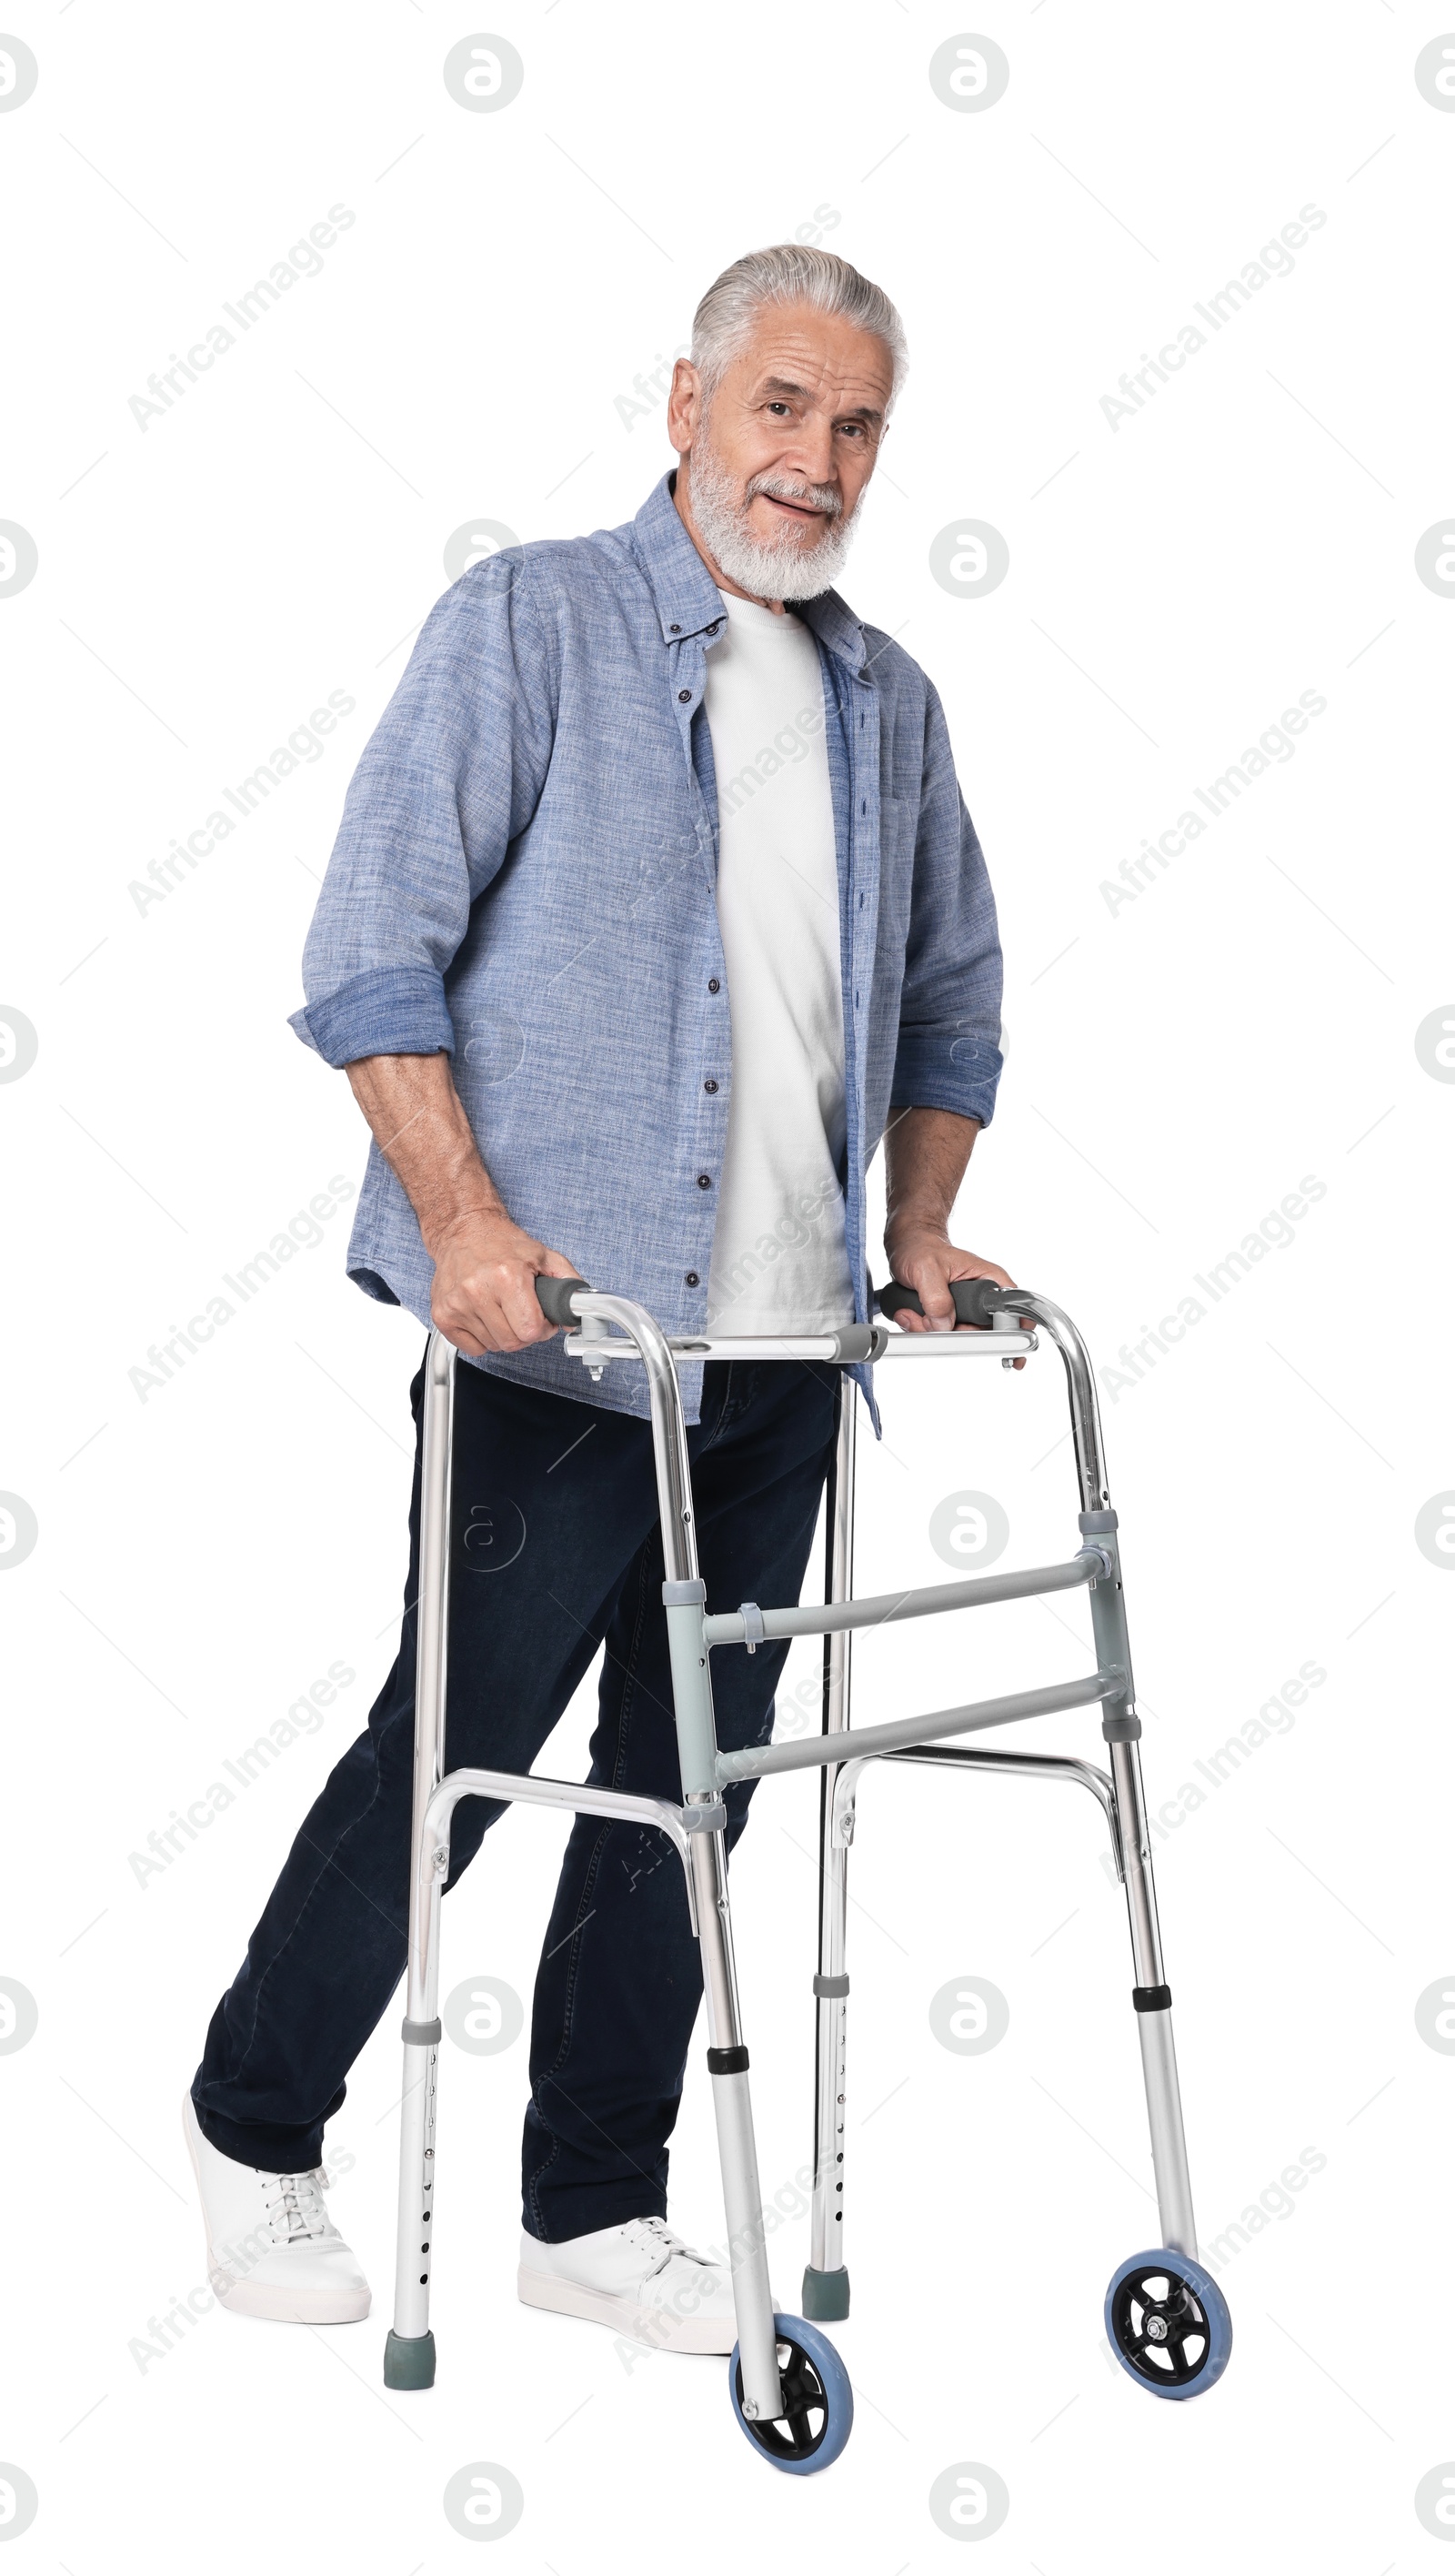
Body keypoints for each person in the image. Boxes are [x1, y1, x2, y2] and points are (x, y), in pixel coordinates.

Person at [184, 242, 1011, 2353]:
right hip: (559, 1343)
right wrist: (461, 1226)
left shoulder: (885, 701)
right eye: (779, 409)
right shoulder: (528, 624)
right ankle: (255, 2121)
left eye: (853, 429)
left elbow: (945, 997)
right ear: (684, 403)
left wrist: (915, 1230)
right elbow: (371, 949)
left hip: (775, 1356)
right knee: (453, 1749)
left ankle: (590, 2210)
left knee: (687, 1779)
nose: (813, 464)